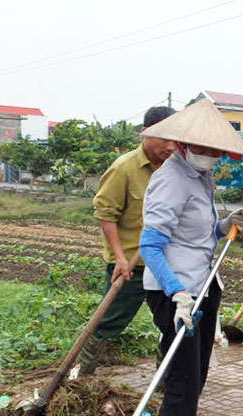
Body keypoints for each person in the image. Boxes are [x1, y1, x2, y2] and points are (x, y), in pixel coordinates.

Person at [137, 99, 243, 416]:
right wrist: (176, 293)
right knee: (182, 387)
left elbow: (198, 235)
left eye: (220, 151)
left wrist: (226, 224)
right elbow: (150, 245)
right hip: (178, 295)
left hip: (202, 287)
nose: (216, 157)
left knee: (195, 381)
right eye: (212, 150)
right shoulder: (171, 179)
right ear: (186, 143)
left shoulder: (199, 176)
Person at [77, 106, 176, 375]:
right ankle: (81, 373)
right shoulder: (124, 168)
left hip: (164, 263)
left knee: (171, 321)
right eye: (164, 138)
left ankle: (166, 378)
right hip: (130, 264)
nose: (171, 146)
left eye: (174, 139)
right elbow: (106, 214)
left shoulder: (174, 170)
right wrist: (120, 257)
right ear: (146, 133)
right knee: (109, 320)